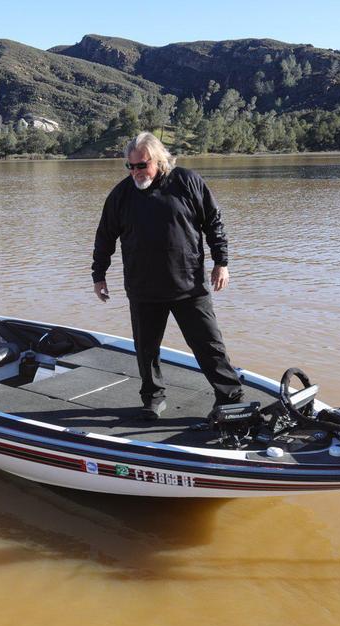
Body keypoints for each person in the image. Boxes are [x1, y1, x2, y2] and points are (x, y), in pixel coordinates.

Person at [91, 132, 244, 420]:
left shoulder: (187, 182)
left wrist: (221, 262)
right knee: (146, 350)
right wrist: (98, 275)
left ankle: (229, 396)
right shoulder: (121, 195)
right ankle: (152, 398)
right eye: (130, 166)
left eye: (141, 165)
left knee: (209, 345)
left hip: (189, 286)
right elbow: (104, 237)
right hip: (143, 288)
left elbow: (213, 222)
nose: (136, 172)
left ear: (159, 159)